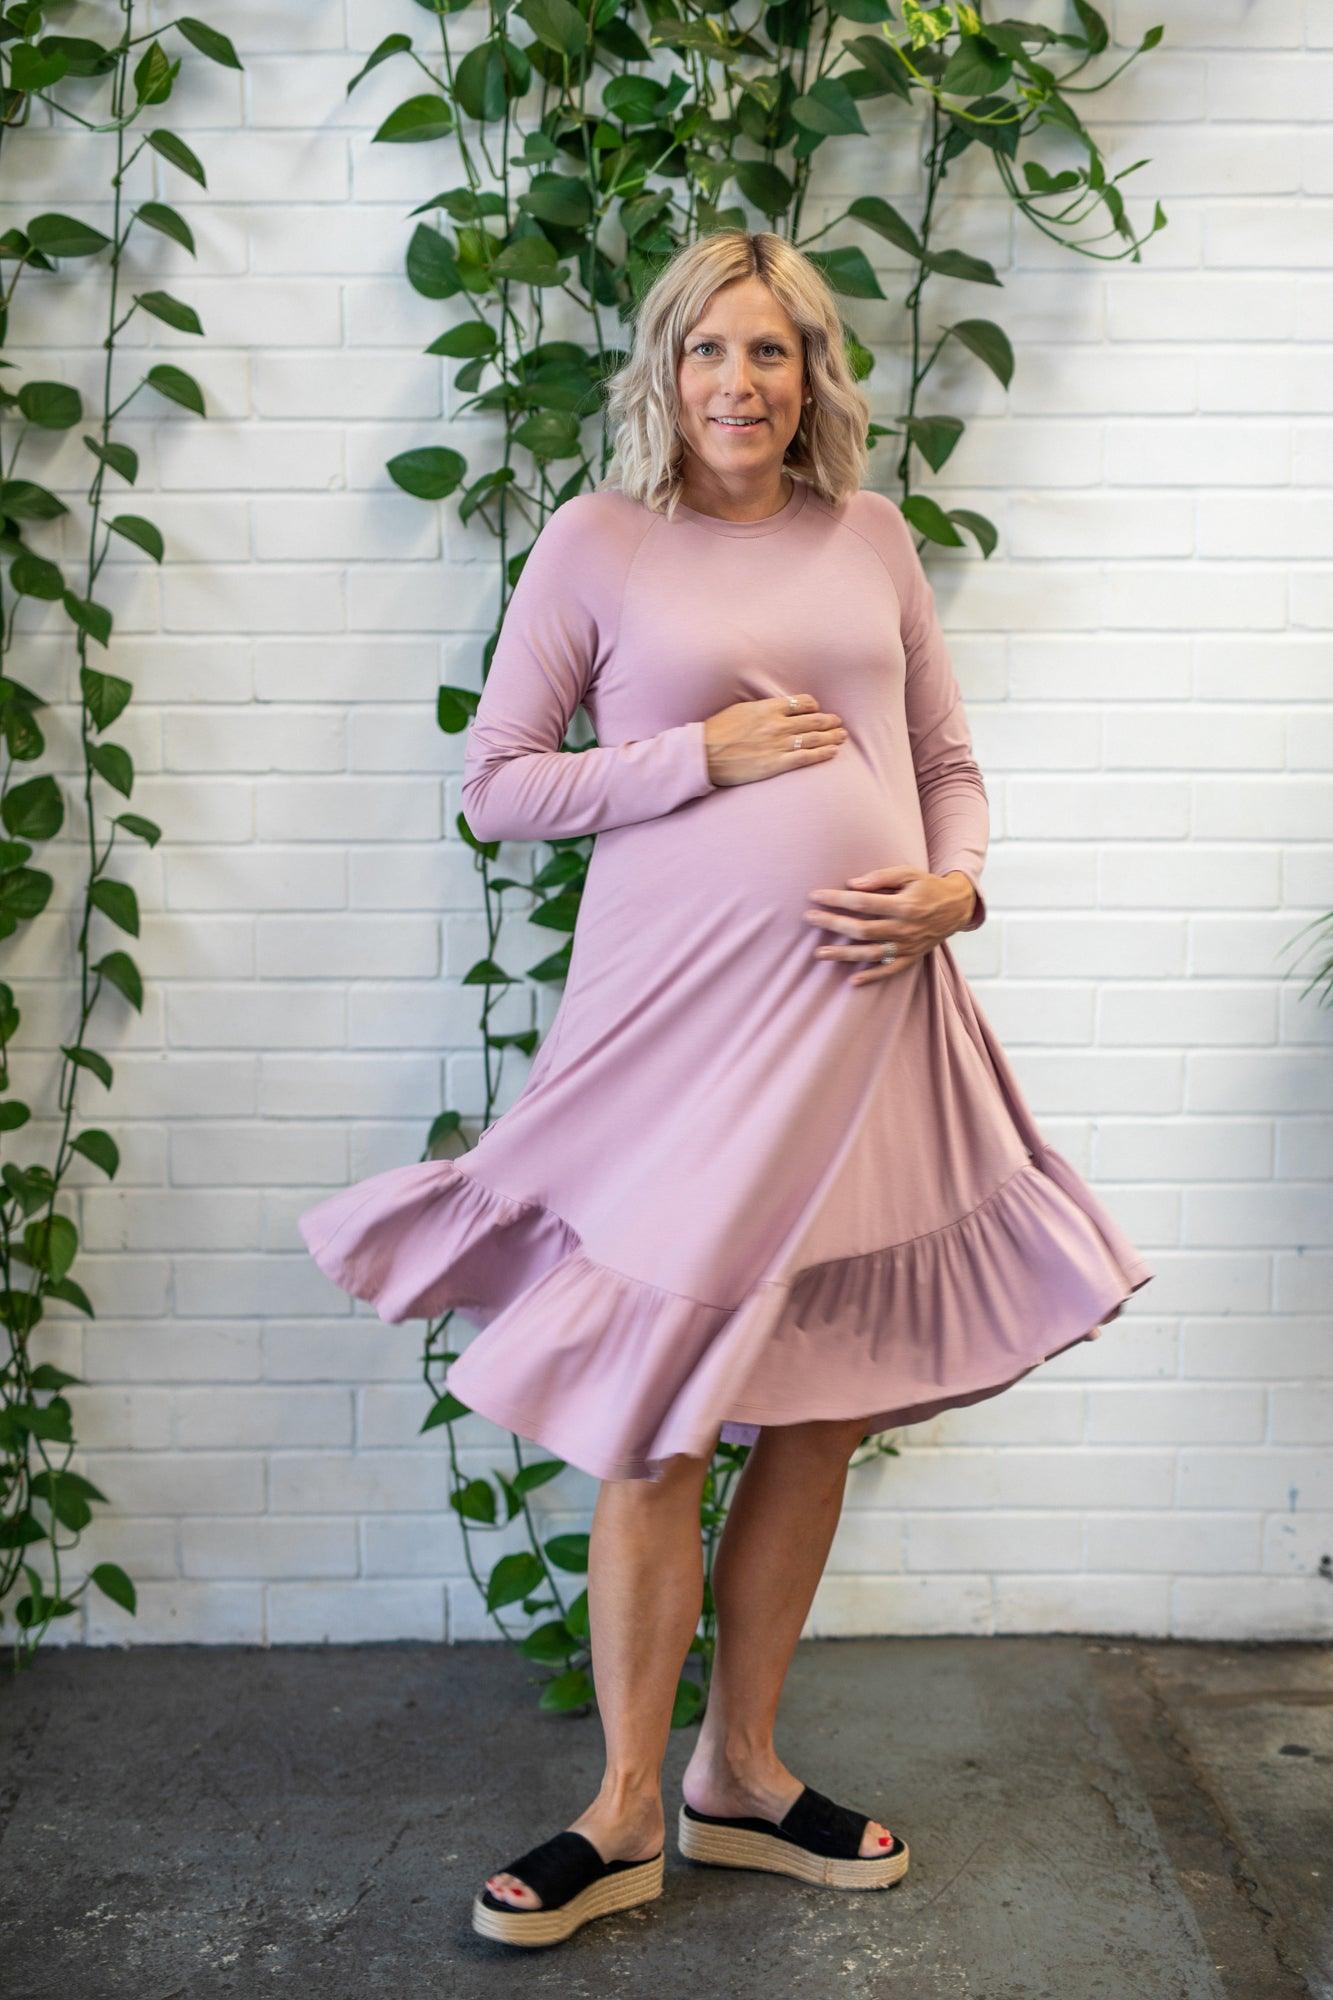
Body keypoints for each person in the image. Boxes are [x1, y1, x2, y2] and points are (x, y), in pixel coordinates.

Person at [298, 229, 1153, 1949]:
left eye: (767, 354)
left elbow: (945, 764)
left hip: (863, 1030)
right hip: (676, 1034)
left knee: (817, 1405)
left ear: (808, 374)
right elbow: (499, 785)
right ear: (663, 375)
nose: (737, 386)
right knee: (660, 1412)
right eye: (706, 355)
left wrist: (954, 887)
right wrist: (701, 756)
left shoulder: (869, 537)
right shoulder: (599, 543)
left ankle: (738, 1776)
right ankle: (618, 1810)